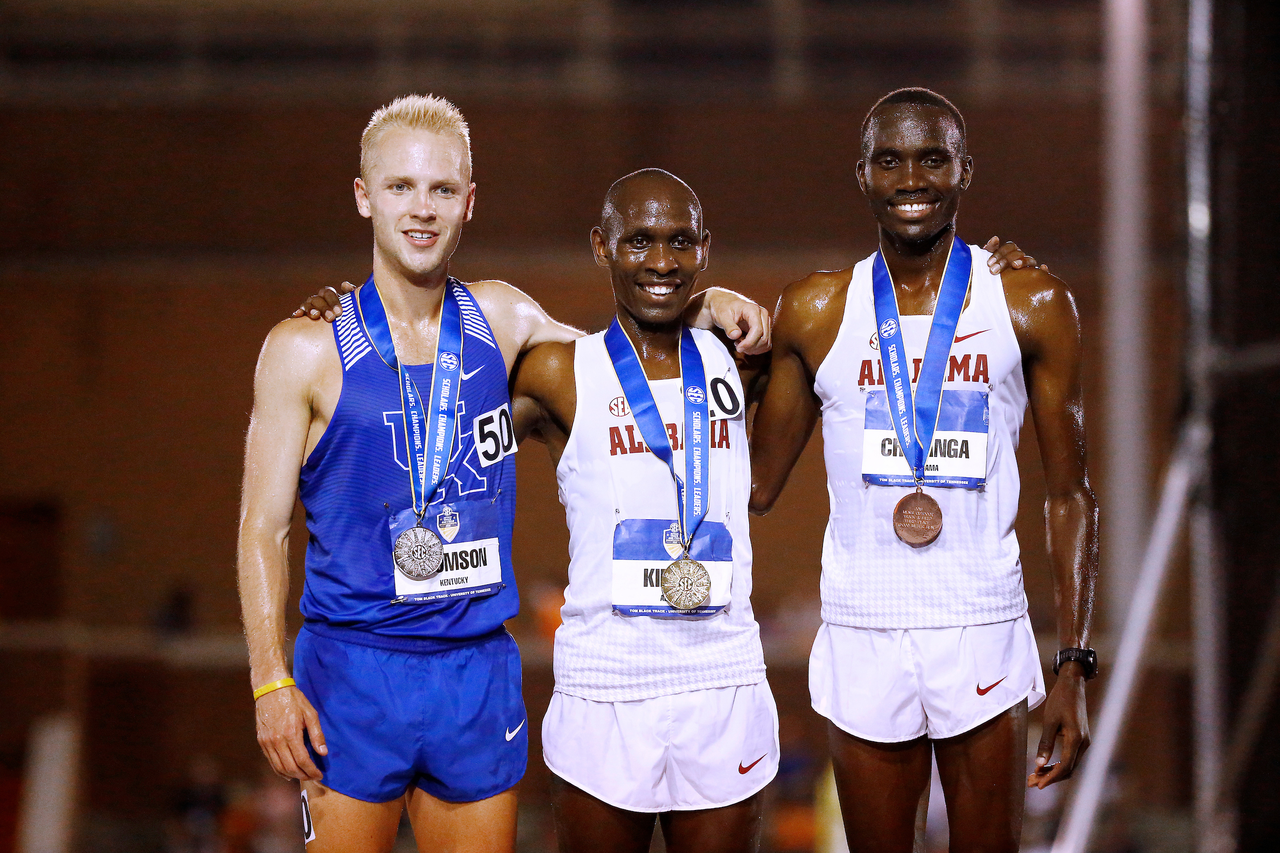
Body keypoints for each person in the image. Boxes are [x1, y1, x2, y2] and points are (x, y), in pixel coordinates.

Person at [235, 95, 768, 853]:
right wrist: (268, 679)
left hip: (478, 670)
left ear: (469, 203)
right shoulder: (303, 348)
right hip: (353, 671)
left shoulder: (504, 318)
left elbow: (619, 368)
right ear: (364, 196)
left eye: (442, 190)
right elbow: (263, 525)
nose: (422, 209)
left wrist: (703, 303)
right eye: (400, 187)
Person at [749, 87, 1098, 853]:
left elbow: (1071, 495)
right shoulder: (815, 310)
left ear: (965, 171)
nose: (913, 178)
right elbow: (758, 485)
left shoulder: (1030, 300)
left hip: (980, 621)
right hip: (863, 623)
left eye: (933, 158)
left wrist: (1073, 663)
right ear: (863, 174)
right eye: (891, 160)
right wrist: (715, 328)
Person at [511, 168, 775, 853]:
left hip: (721, 680)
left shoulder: (737, 356)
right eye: (640, 241)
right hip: (604, 687)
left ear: (705, 249)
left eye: (680, 242)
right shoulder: (560, 373)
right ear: (601, 246)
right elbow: (445, 441)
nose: (662, 261)